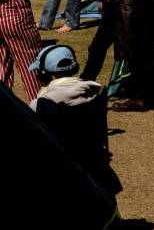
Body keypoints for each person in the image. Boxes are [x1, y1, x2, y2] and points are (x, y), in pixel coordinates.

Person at [29, 43, 121, 195]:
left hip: (60, 172)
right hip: (96, 165)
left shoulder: (41, 104)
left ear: (46, 74)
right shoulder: (94, 93)